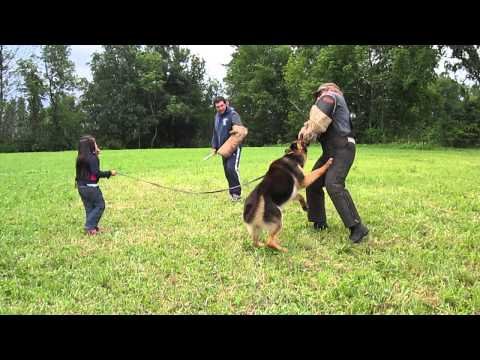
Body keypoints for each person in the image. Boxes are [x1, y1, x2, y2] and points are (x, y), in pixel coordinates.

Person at [298, 83, 369, 243]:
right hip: (332, 149)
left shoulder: (330, 97)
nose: (317, 98)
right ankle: (319, 222)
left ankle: (357, 228)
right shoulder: (334, 102)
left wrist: (305, 135)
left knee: (333, 184)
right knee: (313, 182)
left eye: (318, 94)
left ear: (327, 90)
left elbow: (316, 124)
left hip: (342, 147)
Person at [75, 135, 116, 235]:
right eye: (95, 143)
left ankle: (92, 229)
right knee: (100, 205)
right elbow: (96, 173)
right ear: (91, 146)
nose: (97, 145)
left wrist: (96, 153)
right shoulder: (93, 158)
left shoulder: (80, 158)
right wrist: (109, 173)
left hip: (81, 187)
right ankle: (89, 226)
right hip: (91, 188)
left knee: (90, 207)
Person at [211, 96, 244, 202]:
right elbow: (215, 133)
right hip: (223, 149)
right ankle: (232, 193)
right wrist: (214, 146)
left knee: (231, 168)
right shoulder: (217, 116)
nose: (220, 108)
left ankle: (237, 194)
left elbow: (239, 129)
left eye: (221, 105)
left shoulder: (233, 114)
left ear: (226, 104)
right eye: (217, 107)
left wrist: (236, 129)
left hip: (234, 148)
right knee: (226, 171)